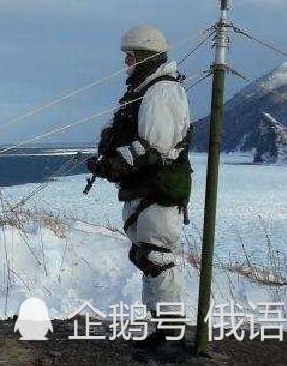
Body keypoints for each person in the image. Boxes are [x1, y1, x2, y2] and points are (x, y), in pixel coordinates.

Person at [85, 24, 192, 353]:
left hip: (158, 188)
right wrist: (108, 161)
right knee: (147, 256)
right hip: (144, 187)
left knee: (157, 256)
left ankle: (172, 336)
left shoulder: (162, 91)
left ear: (145, 56)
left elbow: (155, 145)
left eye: (130, 56)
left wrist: (115, 164)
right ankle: (162, 330)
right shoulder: (144, 90)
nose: (126, 62)